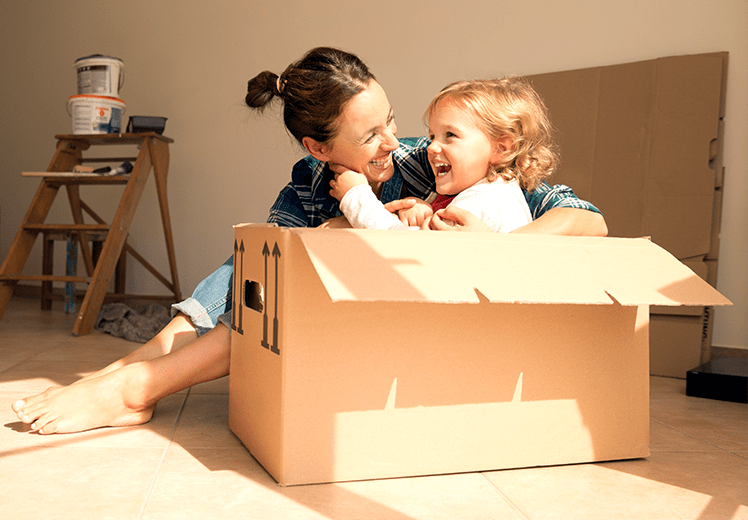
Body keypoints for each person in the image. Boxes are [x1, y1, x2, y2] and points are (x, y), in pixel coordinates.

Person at [11, 47, 607, 435]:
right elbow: (257, 282)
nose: (395, 143)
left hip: (401, 333)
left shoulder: (429, 166)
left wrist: (498, 244)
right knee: (252, 270)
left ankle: (133, 384)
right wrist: (341, 222)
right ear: (319, 149)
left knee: (277, 279)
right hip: (331, 320)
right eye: (371, 134)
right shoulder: (306, 188)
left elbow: (585, 219)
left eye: (392, 121)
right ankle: (121, 378)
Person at [330, 76, 557, 232]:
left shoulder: (483, 202)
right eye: (432, 137)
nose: (431, 147)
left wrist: (355, 196)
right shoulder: (490, 193)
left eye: (450, 135)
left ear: (501, 148)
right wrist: (425, 212)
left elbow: (404, 249)